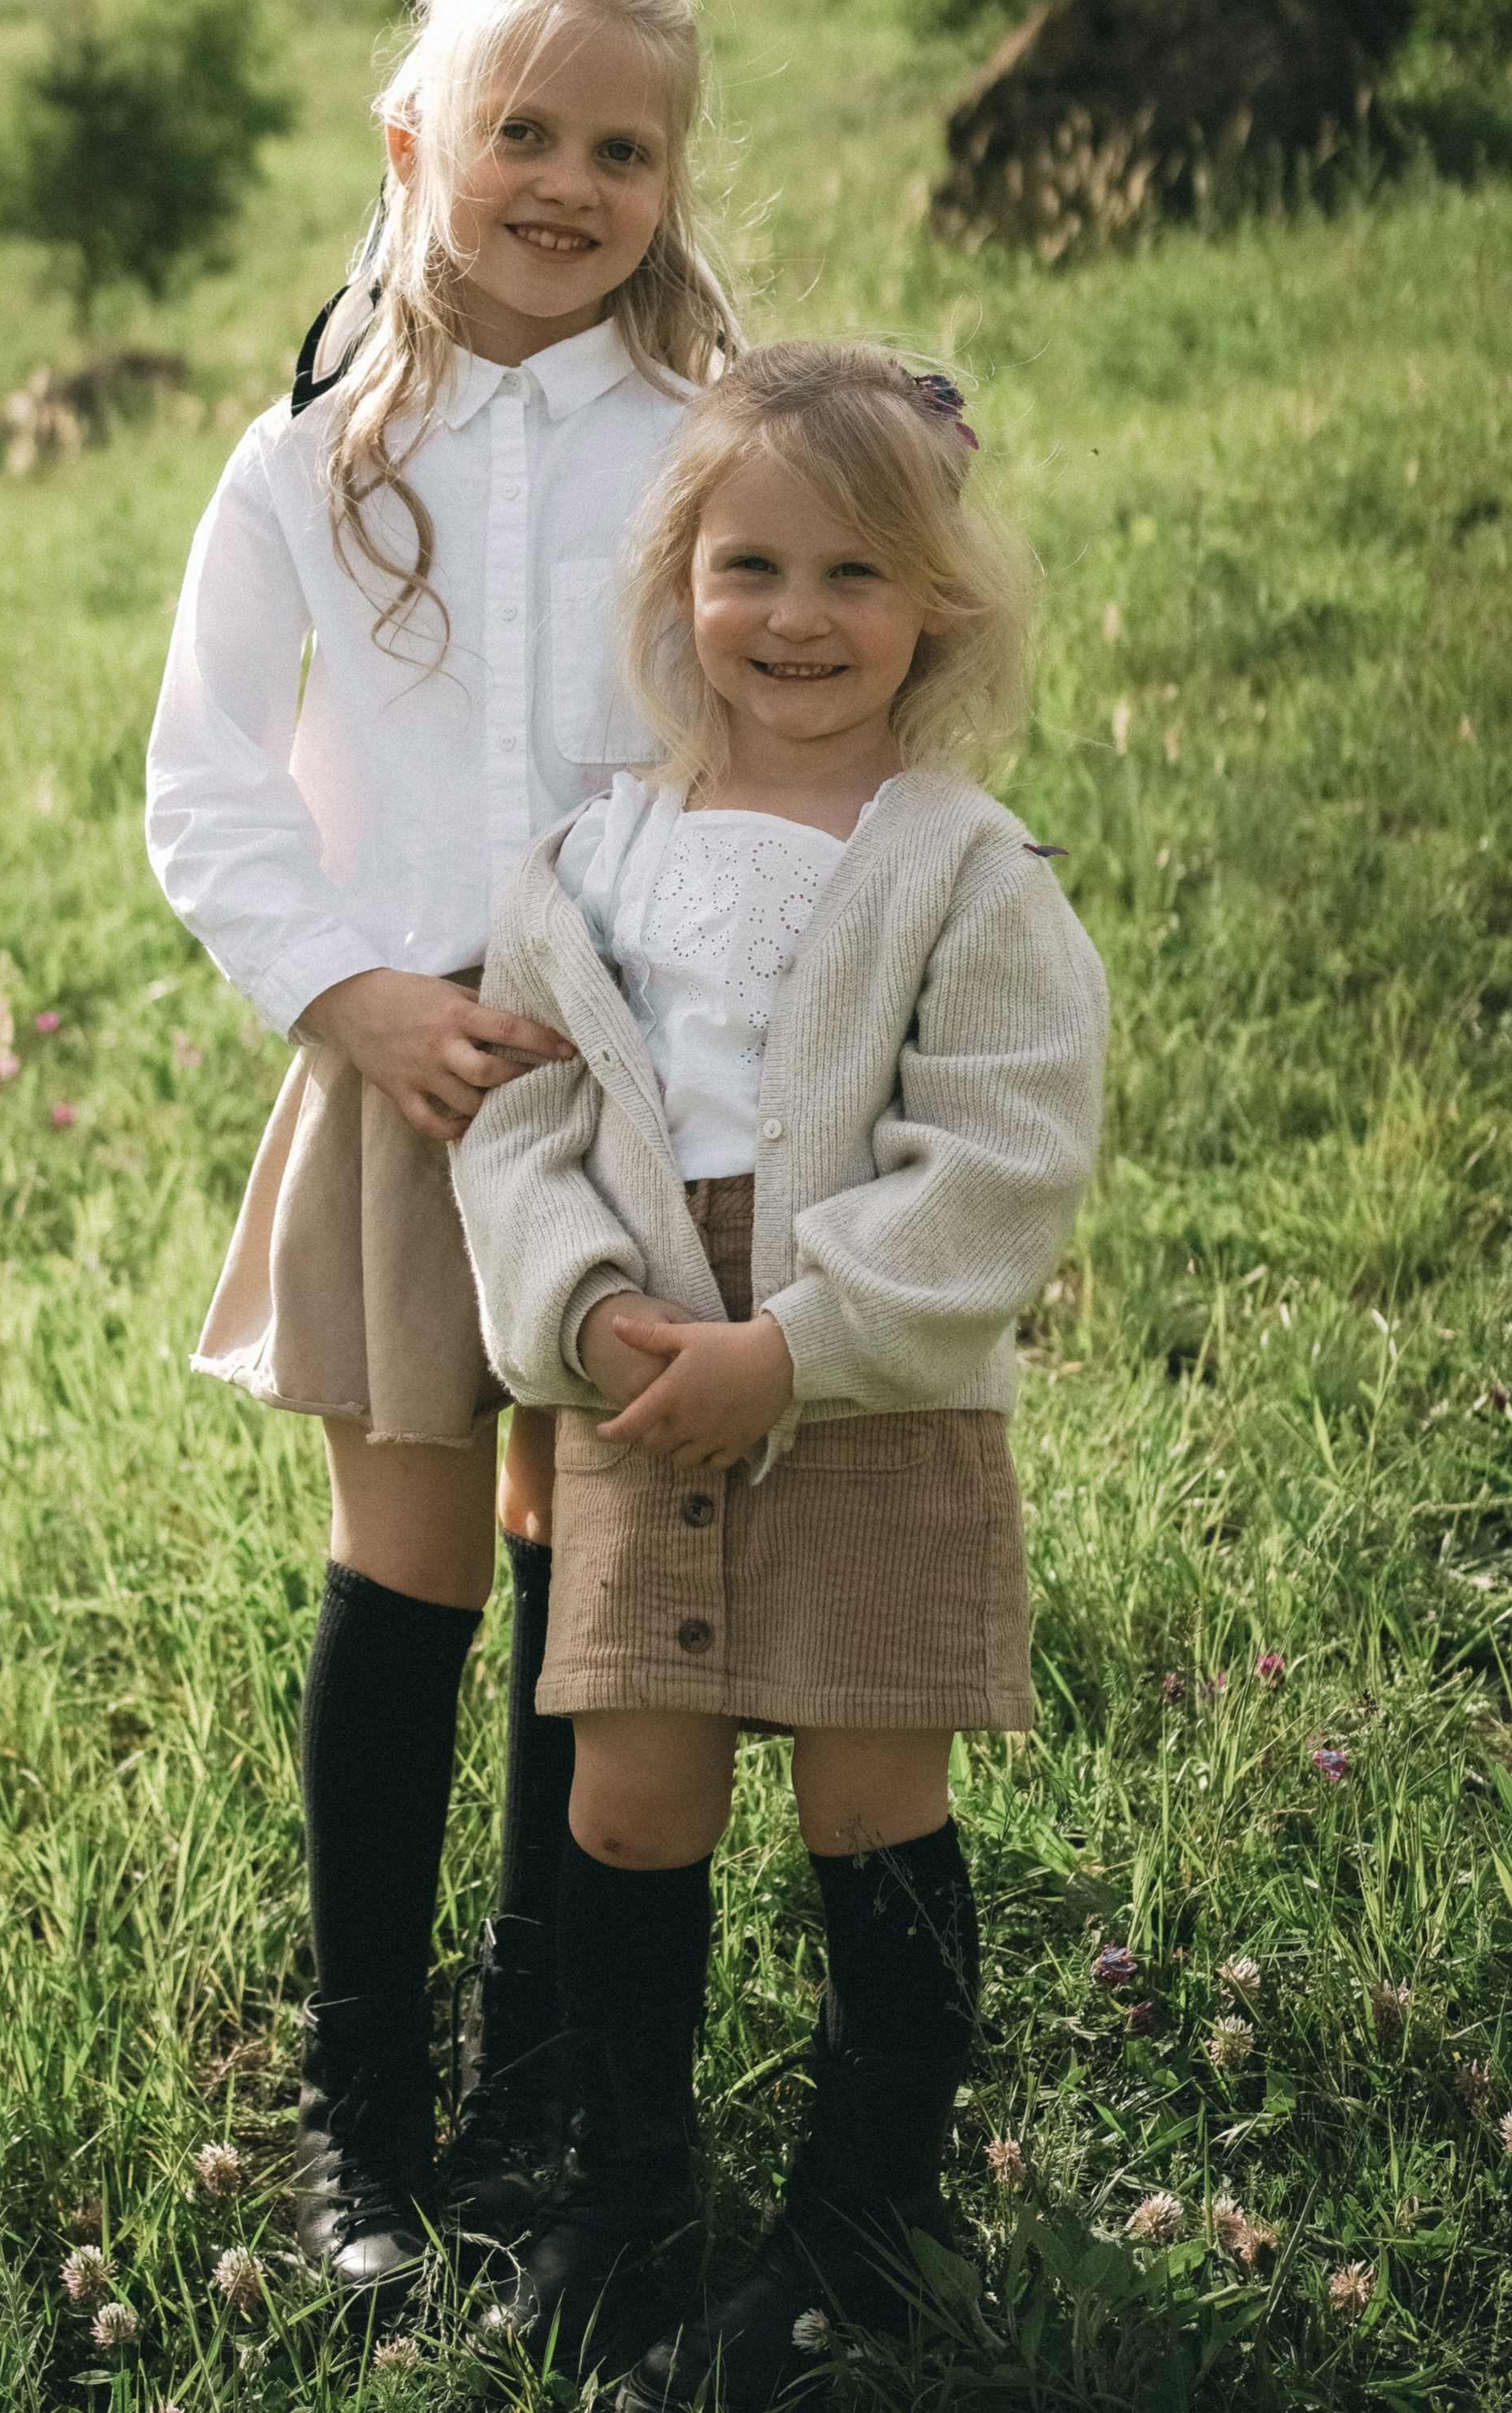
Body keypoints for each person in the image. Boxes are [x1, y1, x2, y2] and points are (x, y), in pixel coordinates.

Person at [143, 0, 743, 2309]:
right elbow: (205, 791)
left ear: (670, 186)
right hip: (405, 1082)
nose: (568, 181)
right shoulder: (306, 462)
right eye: (520, 127)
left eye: (622, 147)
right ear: (412, 143)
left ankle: (542, 2083)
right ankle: (364, 2128)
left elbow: (799, 699)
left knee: (583, 1582)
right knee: (405, 1575)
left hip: (633, 1105)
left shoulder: (708, 443)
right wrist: (354, 1002)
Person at [451, 339, 1110, 2400]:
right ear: (676, 589)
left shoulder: (956, 863)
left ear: (935, 606)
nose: (797, 618)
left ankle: (861, 2221)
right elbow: (516, 1126)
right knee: (631, 1802)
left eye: (852, 574)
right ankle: (632, 2189)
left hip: (872, 1389)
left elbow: (1003, 1146)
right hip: (645, 1381)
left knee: (862, 1793)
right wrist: (579, 1310)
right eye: (750, 567)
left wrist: (802, 1340)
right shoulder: (590, 867)